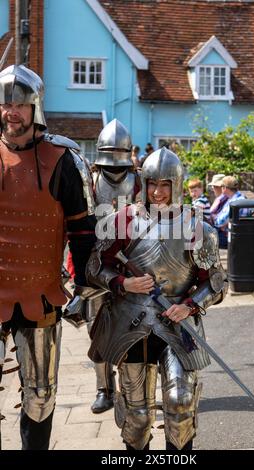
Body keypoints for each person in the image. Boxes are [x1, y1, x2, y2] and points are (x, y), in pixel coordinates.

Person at [87, 147, 228, 450]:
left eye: (166, 185)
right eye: (153, 184)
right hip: (130, 322)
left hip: (177, 325)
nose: (158, 192)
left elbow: (216, 284)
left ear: (177, 184)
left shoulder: (196, 227)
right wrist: (124, 283)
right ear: (144, 184)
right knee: (137, 418)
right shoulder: (121, 221)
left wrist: (189, 306)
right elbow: (95, 268)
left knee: (180, 404)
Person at [0, 64, 97, 450]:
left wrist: (85, 289)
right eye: (6, 102)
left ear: (35, 106)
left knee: (40, 398)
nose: (12, 111)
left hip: (40, 295)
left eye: (20, 103)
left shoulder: (64, 160)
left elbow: (83, 232)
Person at [89, 119, 141, 414]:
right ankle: (103, 388)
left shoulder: (141, 180)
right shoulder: (90, 179)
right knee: (95, 329)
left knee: (130, 326)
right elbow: (79, 224)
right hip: (95, 263)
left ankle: (129, 388)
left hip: (132, 263)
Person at [213, 175, 246, 249]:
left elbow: (219, 222)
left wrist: (220, 222)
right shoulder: (239, 197)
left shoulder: (234, 202)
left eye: (221, 186)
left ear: (225, 188)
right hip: (237, 235)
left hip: (230, 237)